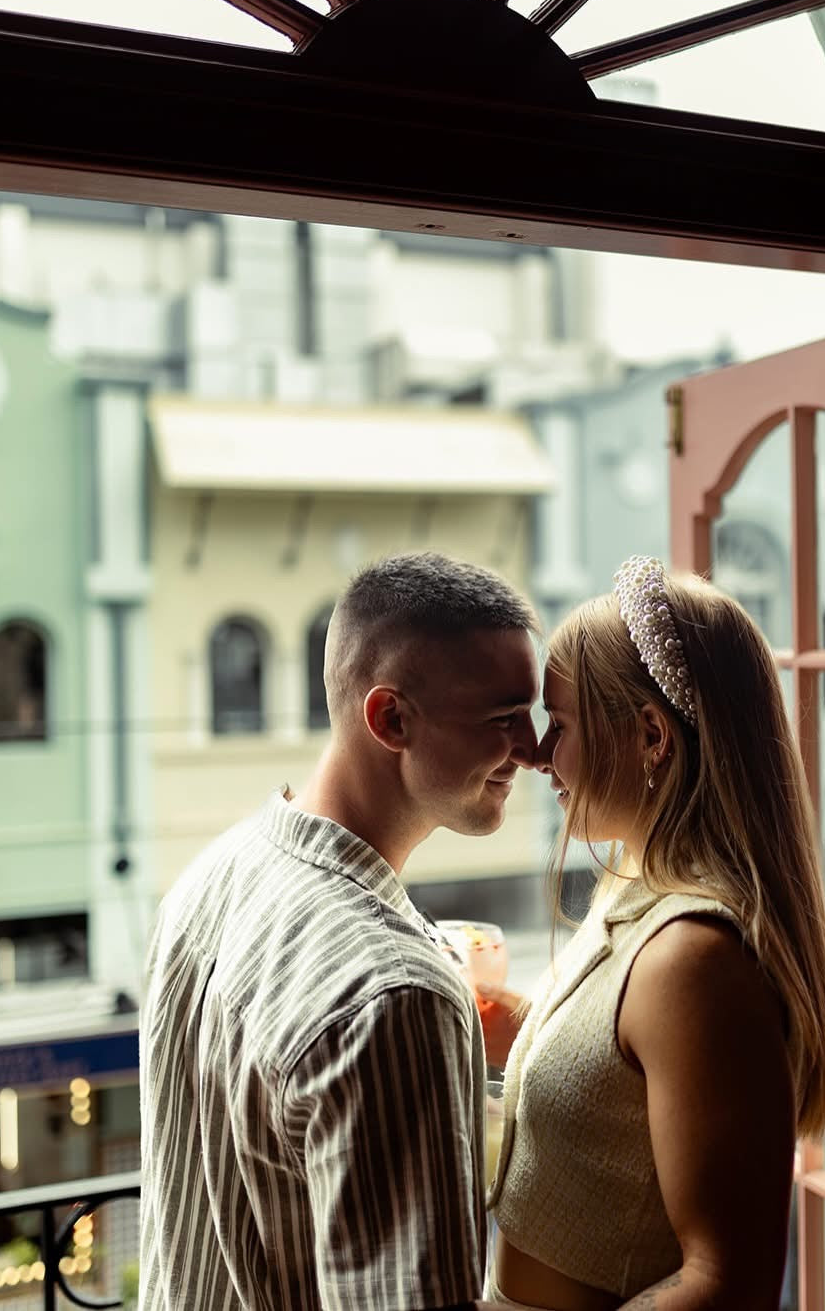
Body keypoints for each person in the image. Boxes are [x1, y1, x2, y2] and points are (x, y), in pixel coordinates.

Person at [139, 552, 540, 1311]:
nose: (532, 748)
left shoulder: (211, 875)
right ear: (390, 718)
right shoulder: (395, 994)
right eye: (501, 718)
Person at [482, 557, 825, 1311]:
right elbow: (613, 1068)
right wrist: (491, 1016)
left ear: (649, 735)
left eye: (563, 724)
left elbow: (724, 1285)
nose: (540, 756)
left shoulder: (693, 959)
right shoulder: (636, 886)